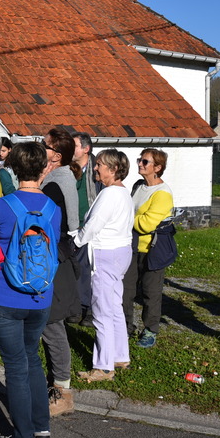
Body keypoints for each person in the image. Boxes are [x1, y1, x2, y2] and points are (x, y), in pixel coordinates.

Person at [0, 141, 61, 438]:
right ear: (43, 169)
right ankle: (41, 429)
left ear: (13, 168)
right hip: (40, 296)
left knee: (16, 367)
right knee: (32, 359)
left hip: (5, 294)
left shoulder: (1, 205)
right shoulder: (54, 208)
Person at [74, 149, 134, 383]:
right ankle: (120, 356)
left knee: (101, 311)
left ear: (114, 169)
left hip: (106, 254)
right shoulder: (122, 193)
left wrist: (76, 241)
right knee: (114, 306)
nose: (96, 168)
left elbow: (94, 224)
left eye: (99, 165)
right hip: (120, 252)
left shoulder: (109, 194)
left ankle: (103, 366)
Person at [38, 128, 81, 415]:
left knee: (52, 326)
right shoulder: (59, 178)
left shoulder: (55, 183)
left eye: (45, 145)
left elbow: (51, 226)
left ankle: (63, 393)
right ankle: (55, 383)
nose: (41, 148)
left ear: (56, 155)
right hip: (58, 254)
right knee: (49, 325)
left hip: (54, 257)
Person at [124, 148, 174, 349]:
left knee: (150, 292)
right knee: (126, 290)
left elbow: (146, 224)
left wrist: (125, 219)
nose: (139, 164)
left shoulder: (163, 193)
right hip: (132, 246)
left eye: (145, 162)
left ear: (157, 167)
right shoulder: (138, 186)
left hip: (153, 249)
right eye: (139, 160)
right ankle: (126, 326)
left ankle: (150, 329)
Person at [69, 132, 100, 326]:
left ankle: (90, 309)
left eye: (75, 146)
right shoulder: (69, 169)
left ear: (86, 149)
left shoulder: (97, 169)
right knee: (76, 268)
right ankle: (77, 306)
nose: (71, 150)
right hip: (73, 224)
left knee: (92, 269)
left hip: (92, 225)